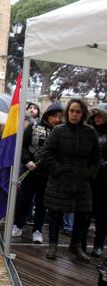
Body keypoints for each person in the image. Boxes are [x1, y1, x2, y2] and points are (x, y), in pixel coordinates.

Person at [37, 99, 100, 262]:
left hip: (82, 181)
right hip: (59, 180)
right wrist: (58, 170)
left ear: (83, 114)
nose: (74, 114)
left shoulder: (90, 132)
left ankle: (76, 245)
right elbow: (46, 154)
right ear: (67, 112)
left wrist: (89, 174)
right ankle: (53, 245)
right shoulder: (58, 131)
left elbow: (96, 158)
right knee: (55, 213)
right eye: (71, 111)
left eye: (78, 111)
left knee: (82, 214)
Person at [11, 102, 64, 243]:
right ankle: (18, 224)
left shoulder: (60, 131)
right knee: (24, 200)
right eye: (55, 116)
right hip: (30, 170)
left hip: (48, 173)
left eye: (60, 117)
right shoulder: (33, 127)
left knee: (42, 203)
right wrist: (27, 161)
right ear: (48, 115)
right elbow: (22, 145)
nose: (57, 119)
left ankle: (38, 230)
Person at [86, 103, 107, 257]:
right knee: (85, 211)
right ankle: (79, 243)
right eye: (96, 115)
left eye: (101, 116)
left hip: (104, 180)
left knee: (102, 214)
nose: (98, 118)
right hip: (88, 178)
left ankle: (99, 244)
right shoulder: (89, 131)